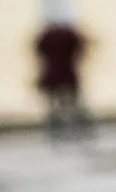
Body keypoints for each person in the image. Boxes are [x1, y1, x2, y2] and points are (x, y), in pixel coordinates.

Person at [33, 16, 90, 144]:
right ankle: (77, 130)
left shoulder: (47, 36)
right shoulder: (70, 35)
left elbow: (39, 51)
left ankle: (58, 132)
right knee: (72, 104)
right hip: (66, 72)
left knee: (56, 105)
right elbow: (80, 49)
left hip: (53, 72)